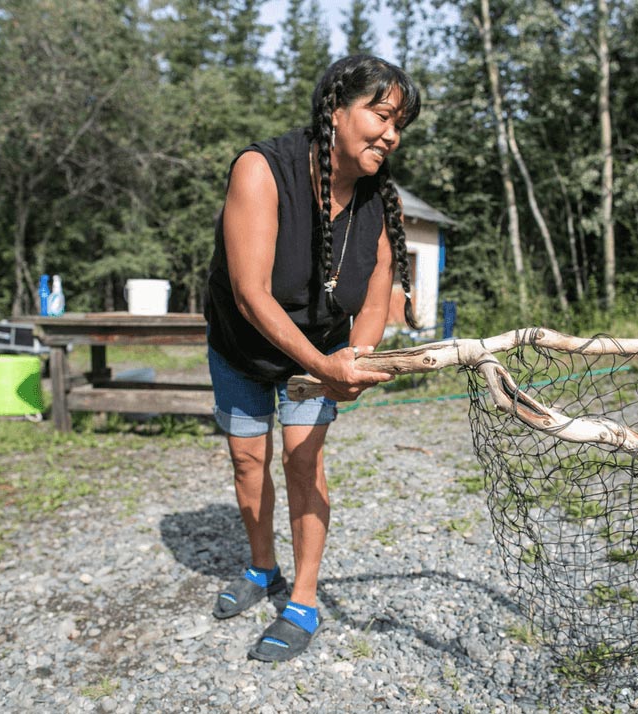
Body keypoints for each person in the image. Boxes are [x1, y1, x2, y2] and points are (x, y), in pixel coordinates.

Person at [204, 55, 422, 662]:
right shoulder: (262, 171)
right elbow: (251, 294)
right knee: (249, 464)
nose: (391, 135)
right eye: (381, 116)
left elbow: (380, 281)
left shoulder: (380, 200)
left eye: (398, 124)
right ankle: (260, 567)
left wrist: (361, 356)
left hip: (319, 351)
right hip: (244, 343)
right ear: (335, 109)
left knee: (304, 464)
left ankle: (302, 598)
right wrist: (328, 369)